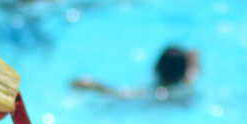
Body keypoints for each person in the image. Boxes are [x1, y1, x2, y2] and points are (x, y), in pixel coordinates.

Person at [72, 46, 200, 102]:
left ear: (156, 68)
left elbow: (118, 95)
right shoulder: (181, 93)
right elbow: (193, 70)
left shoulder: (151, 93)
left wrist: (91, 85)